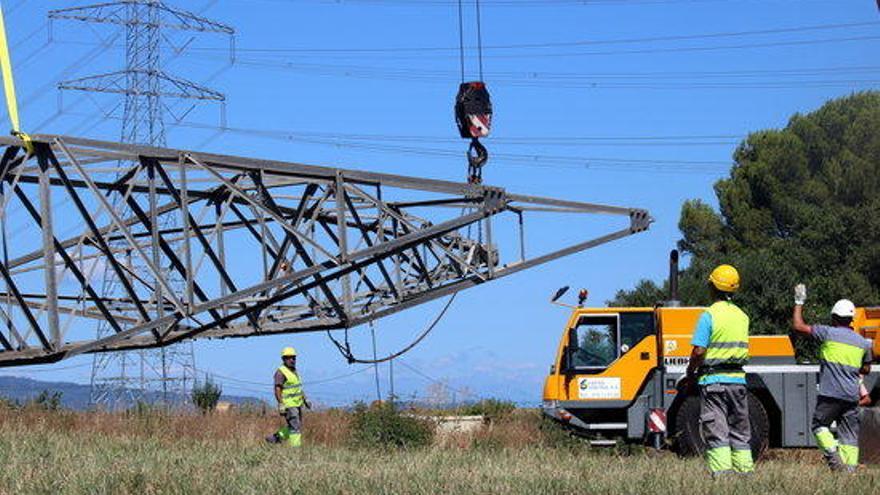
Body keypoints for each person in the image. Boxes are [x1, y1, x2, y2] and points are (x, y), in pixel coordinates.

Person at [791, 284, 872, 472]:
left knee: (819, 425)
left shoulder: (827, 333)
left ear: (834, 318)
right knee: (850, 436)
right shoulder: (863, 343)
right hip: (851, 396)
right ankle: (849, 473)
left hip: (830, 394)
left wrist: (799, 301)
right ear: (851, 319)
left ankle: (834, 459)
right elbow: (866, 369)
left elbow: (798, 326)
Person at [685, 264, 753, 477]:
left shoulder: (709, 315)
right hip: (738, 381)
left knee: (717, 431)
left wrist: (690, 371)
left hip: (714, 381)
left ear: (712, 287)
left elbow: (699, 351)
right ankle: (745, 475)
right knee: (741, 433)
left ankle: (723, 477)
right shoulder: (743, 316)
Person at [265, 346, 311, 447]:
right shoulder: (281, 372)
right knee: (295, 427)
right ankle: (296, 449)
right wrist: (281, 404)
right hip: (289, 405)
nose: (292, 360)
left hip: (298, 403)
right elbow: (277, 389)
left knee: (294, 426)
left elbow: (297, 388)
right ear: (283, 359)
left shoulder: (294, 371)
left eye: (293, 358)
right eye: (289, 357)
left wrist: (305, 399)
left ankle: (274, 439)